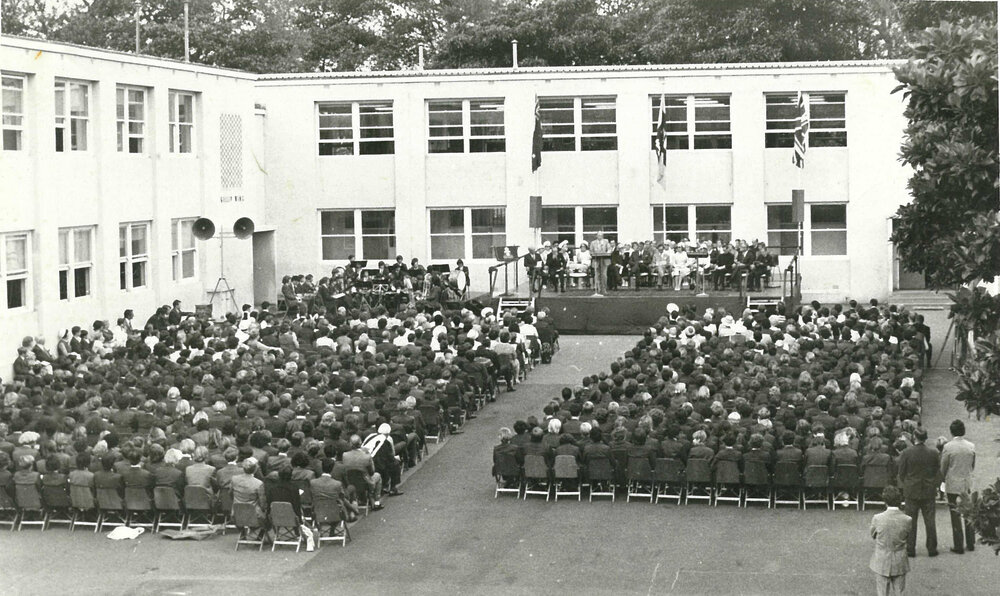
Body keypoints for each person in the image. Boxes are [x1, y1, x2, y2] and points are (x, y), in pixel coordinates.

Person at [896, 427, 939, 557]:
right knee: (930, 520)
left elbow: (901, 473)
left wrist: (908, 483)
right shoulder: (933, 452)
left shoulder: (906, 452)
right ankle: (932, 548)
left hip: (911, 490)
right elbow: (937, 471)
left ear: (914, 437)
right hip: (928, 489)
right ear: (925, 438)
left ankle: (910, 548)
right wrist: (933, 484)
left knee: (910, 521)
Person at [940, 419, 976, 554]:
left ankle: (958, 545)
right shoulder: (971, 446)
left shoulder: (948, 447)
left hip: (952, 482)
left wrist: (943, 478)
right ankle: (971, 542)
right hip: (966, 481)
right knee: (968, 512)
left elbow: (943, 467)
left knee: (955, 514)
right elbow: (972, 464)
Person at [869, 486, 912, 596]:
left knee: (882, 592)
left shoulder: (877, 518)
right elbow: (908, 536)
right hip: (900, 560)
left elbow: (873, 535)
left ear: (885, 500)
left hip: (881, 560)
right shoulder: (907, 519)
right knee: (899, 592)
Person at [266, 466, 316, 551]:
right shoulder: (294, 488)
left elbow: (269, 504)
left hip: (276, 518)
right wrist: (299, 520)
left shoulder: (271, 489)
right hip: (292, 518)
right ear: (291, 476)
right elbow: (296, 506)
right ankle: (299, 533)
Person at [341, 434, 385, 511]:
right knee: (377, 475)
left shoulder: (345, 455)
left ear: (350, 444)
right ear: (360, 443)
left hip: (350, 482)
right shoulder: (367, 456)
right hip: (365, 483)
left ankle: (364, 498)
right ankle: (377, 501)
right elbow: (372, 472)